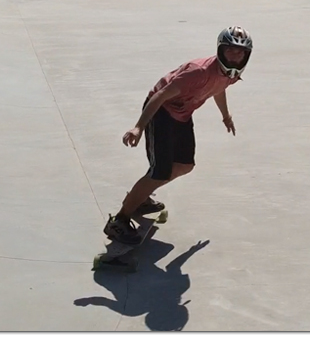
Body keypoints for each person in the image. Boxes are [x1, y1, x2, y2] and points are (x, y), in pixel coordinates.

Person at [104, 26, 253, 244]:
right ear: (221, 49)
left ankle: (141, 197)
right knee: (159, 172)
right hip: (161, 111)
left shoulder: (231, 73)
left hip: (183, 113)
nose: (235, 55)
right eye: (230, 50)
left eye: (240, 52)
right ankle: (119, 220)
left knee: (185, 165)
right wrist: (139, 127)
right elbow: (161, 96)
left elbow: (218, 89)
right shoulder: (198, 72)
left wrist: (225, 115)